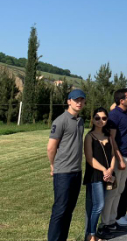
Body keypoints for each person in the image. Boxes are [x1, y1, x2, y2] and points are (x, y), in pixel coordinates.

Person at [47, 89, 86, 241]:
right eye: (76, 100)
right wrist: (53, 165)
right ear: (68, 101)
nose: (79, 102)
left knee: (69, 210)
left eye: (82, 100)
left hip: (77, 171)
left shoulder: (80, 121)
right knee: (60, 210)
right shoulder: (60, 121)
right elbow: (51, 147)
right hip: (63, 172)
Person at [100, 89, 127, 237]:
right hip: (118, 159)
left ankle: (112, 221)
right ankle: (104, 225)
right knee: (111, 191)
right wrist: (120, 159)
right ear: (122, 100)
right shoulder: (114, 116)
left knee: (120, 191)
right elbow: (112, 140)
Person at [83, 107, 115, 241]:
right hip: (95, 175)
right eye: (97, 118)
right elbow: (89, 158)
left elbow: (113, 155)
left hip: (107, 175)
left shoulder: (108, 136)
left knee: (99, 205)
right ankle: (91, 235)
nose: (100, 121)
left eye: (104, 118)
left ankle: (92, 234)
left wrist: (111, 170)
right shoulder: (89, 137)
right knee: (98, 205)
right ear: (92, 120)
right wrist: (104, 170)